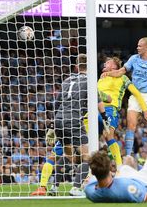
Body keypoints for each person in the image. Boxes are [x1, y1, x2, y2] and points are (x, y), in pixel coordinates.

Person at [31, 54, 94, 196]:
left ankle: (53, 187)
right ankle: (75, 188)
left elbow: (57, 104)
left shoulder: (66, 80)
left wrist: (52, 127)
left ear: (76, 66)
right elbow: (99, 100)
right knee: (87, 157)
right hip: (74, 120)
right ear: (89, 66)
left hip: (59, 120)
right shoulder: (89, 81)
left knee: (66, 155)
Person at [84, 110, 147, 203]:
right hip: (146, 181)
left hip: (122, 179)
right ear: (111, 168)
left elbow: (95, 180)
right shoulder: (126, 189)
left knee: (128, 160)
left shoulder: (89, 190)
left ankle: (134, 165)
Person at [98, 56, 147, 166]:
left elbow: (137, 93)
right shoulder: (101, 77)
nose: (105, 63)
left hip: (110, 109)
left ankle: (119, 167)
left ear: (114, 66)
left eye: (108, 62)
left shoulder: (123, 78)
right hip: (93, 109)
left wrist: (145, 110)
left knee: (108, 135)